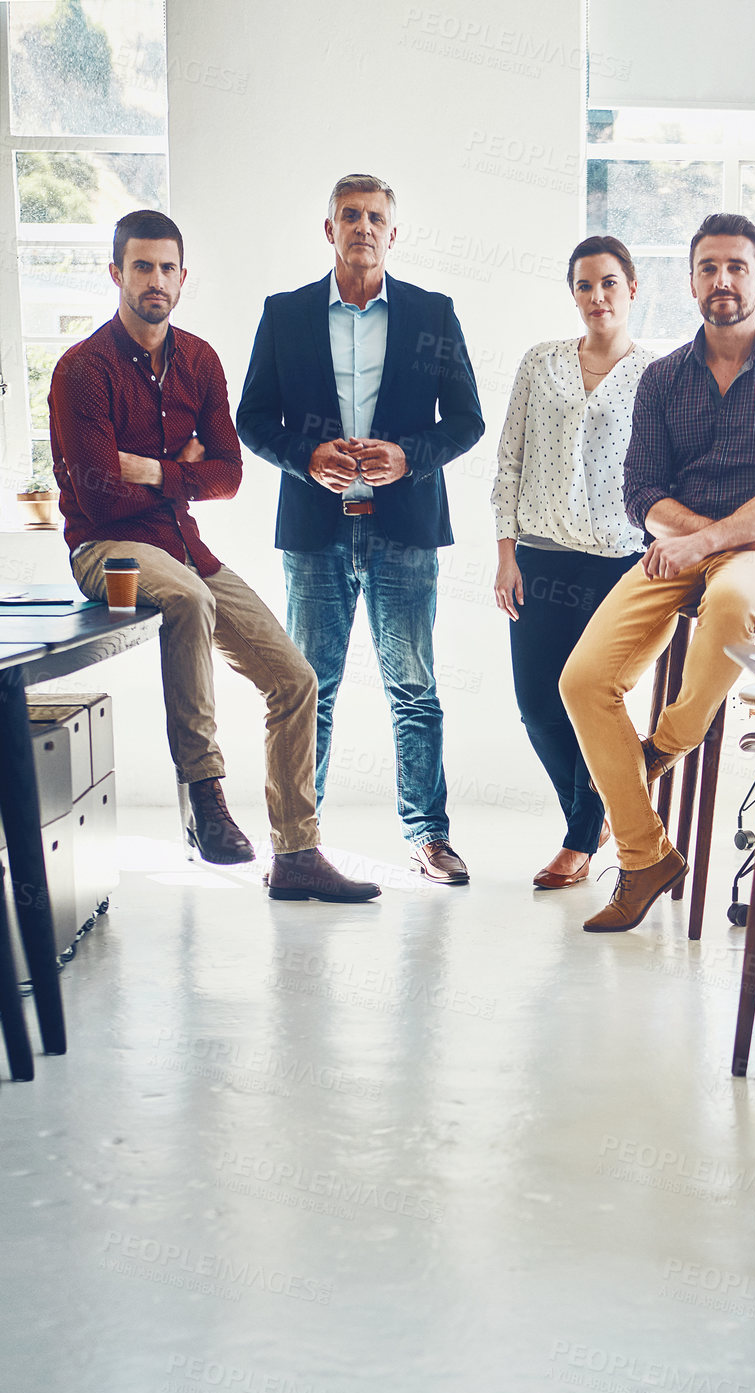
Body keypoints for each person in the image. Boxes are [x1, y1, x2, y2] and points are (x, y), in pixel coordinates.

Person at [48, 208, 380, 905]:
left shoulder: (199, 360)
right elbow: (101, 497)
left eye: (167, 267)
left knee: (295, 679)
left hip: (183, 547)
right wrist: (176, 466)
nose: (156, 280)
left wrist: (149, 467)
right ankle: (205, 792)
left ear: (183, 277)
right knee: (188, 599)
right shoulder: (84, 370)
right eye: (142, 266)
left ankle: (295, 855)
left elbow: (228, 475)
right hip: (104, 550)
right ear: (116, 274)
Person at [560, 212, 755, 933]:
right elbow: (641, 492)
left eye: (736, 267)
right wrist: (694, 540)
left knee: (734, 596)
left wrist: (714, 541)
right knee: (582, 681)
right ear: (689, 282)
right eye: (708, 267)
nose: (722, 280)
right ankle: (645, 855)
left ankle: (667, 745)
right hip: (679, 545)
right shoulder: (658, 379)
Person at [237, 173, 485, 886]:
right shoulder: (283, 314)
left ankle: (427, 836)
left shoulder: (432, 314)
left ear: (393, 232)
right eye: (350, 215)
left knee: (413, 686)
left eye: (376, 216)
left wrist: (409, 457)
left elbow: (466, 421)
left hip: (404, 528)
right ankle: (297, 842)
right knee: (308, 687)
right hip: (315, 531)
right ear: (329, 229)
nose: (363, 227)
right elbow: (251, 419)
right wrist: (301, 454)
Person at [491, 236, 653, 889]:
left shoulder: (658, 376)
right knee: (537, 705)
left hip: (618, 563)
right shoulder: (541, 363)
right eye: (585, 286)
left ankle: (578, 840)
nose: (597, 297)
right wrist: (505, 553)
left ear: (633, 289)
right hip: (540, 557)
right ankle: (597, 818)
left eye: (609, 283)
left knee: (592, 700)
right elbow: (509, 461)